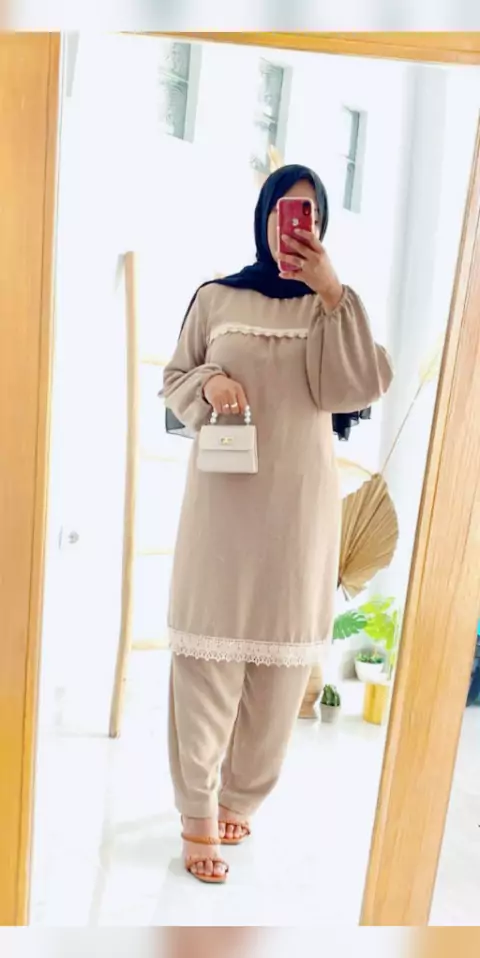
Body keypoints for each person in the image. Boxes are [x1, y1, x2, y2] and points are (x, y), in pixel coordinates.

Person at [163, 164, 393, 884]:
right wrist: (210, 381)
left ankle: (242, 796)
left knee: (282, 662)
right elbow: (174, 380)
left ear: (321, 226)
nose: (294, 226)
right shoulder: (216, 297)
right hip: (221, 509)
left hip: (298, 511)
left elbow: (353, 388)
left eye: (308, 215)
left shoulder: (332, 307)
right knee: (204, 658)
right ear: (263, 216)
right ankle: (197, 812)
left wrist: (333, 293)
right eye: (283, 212)